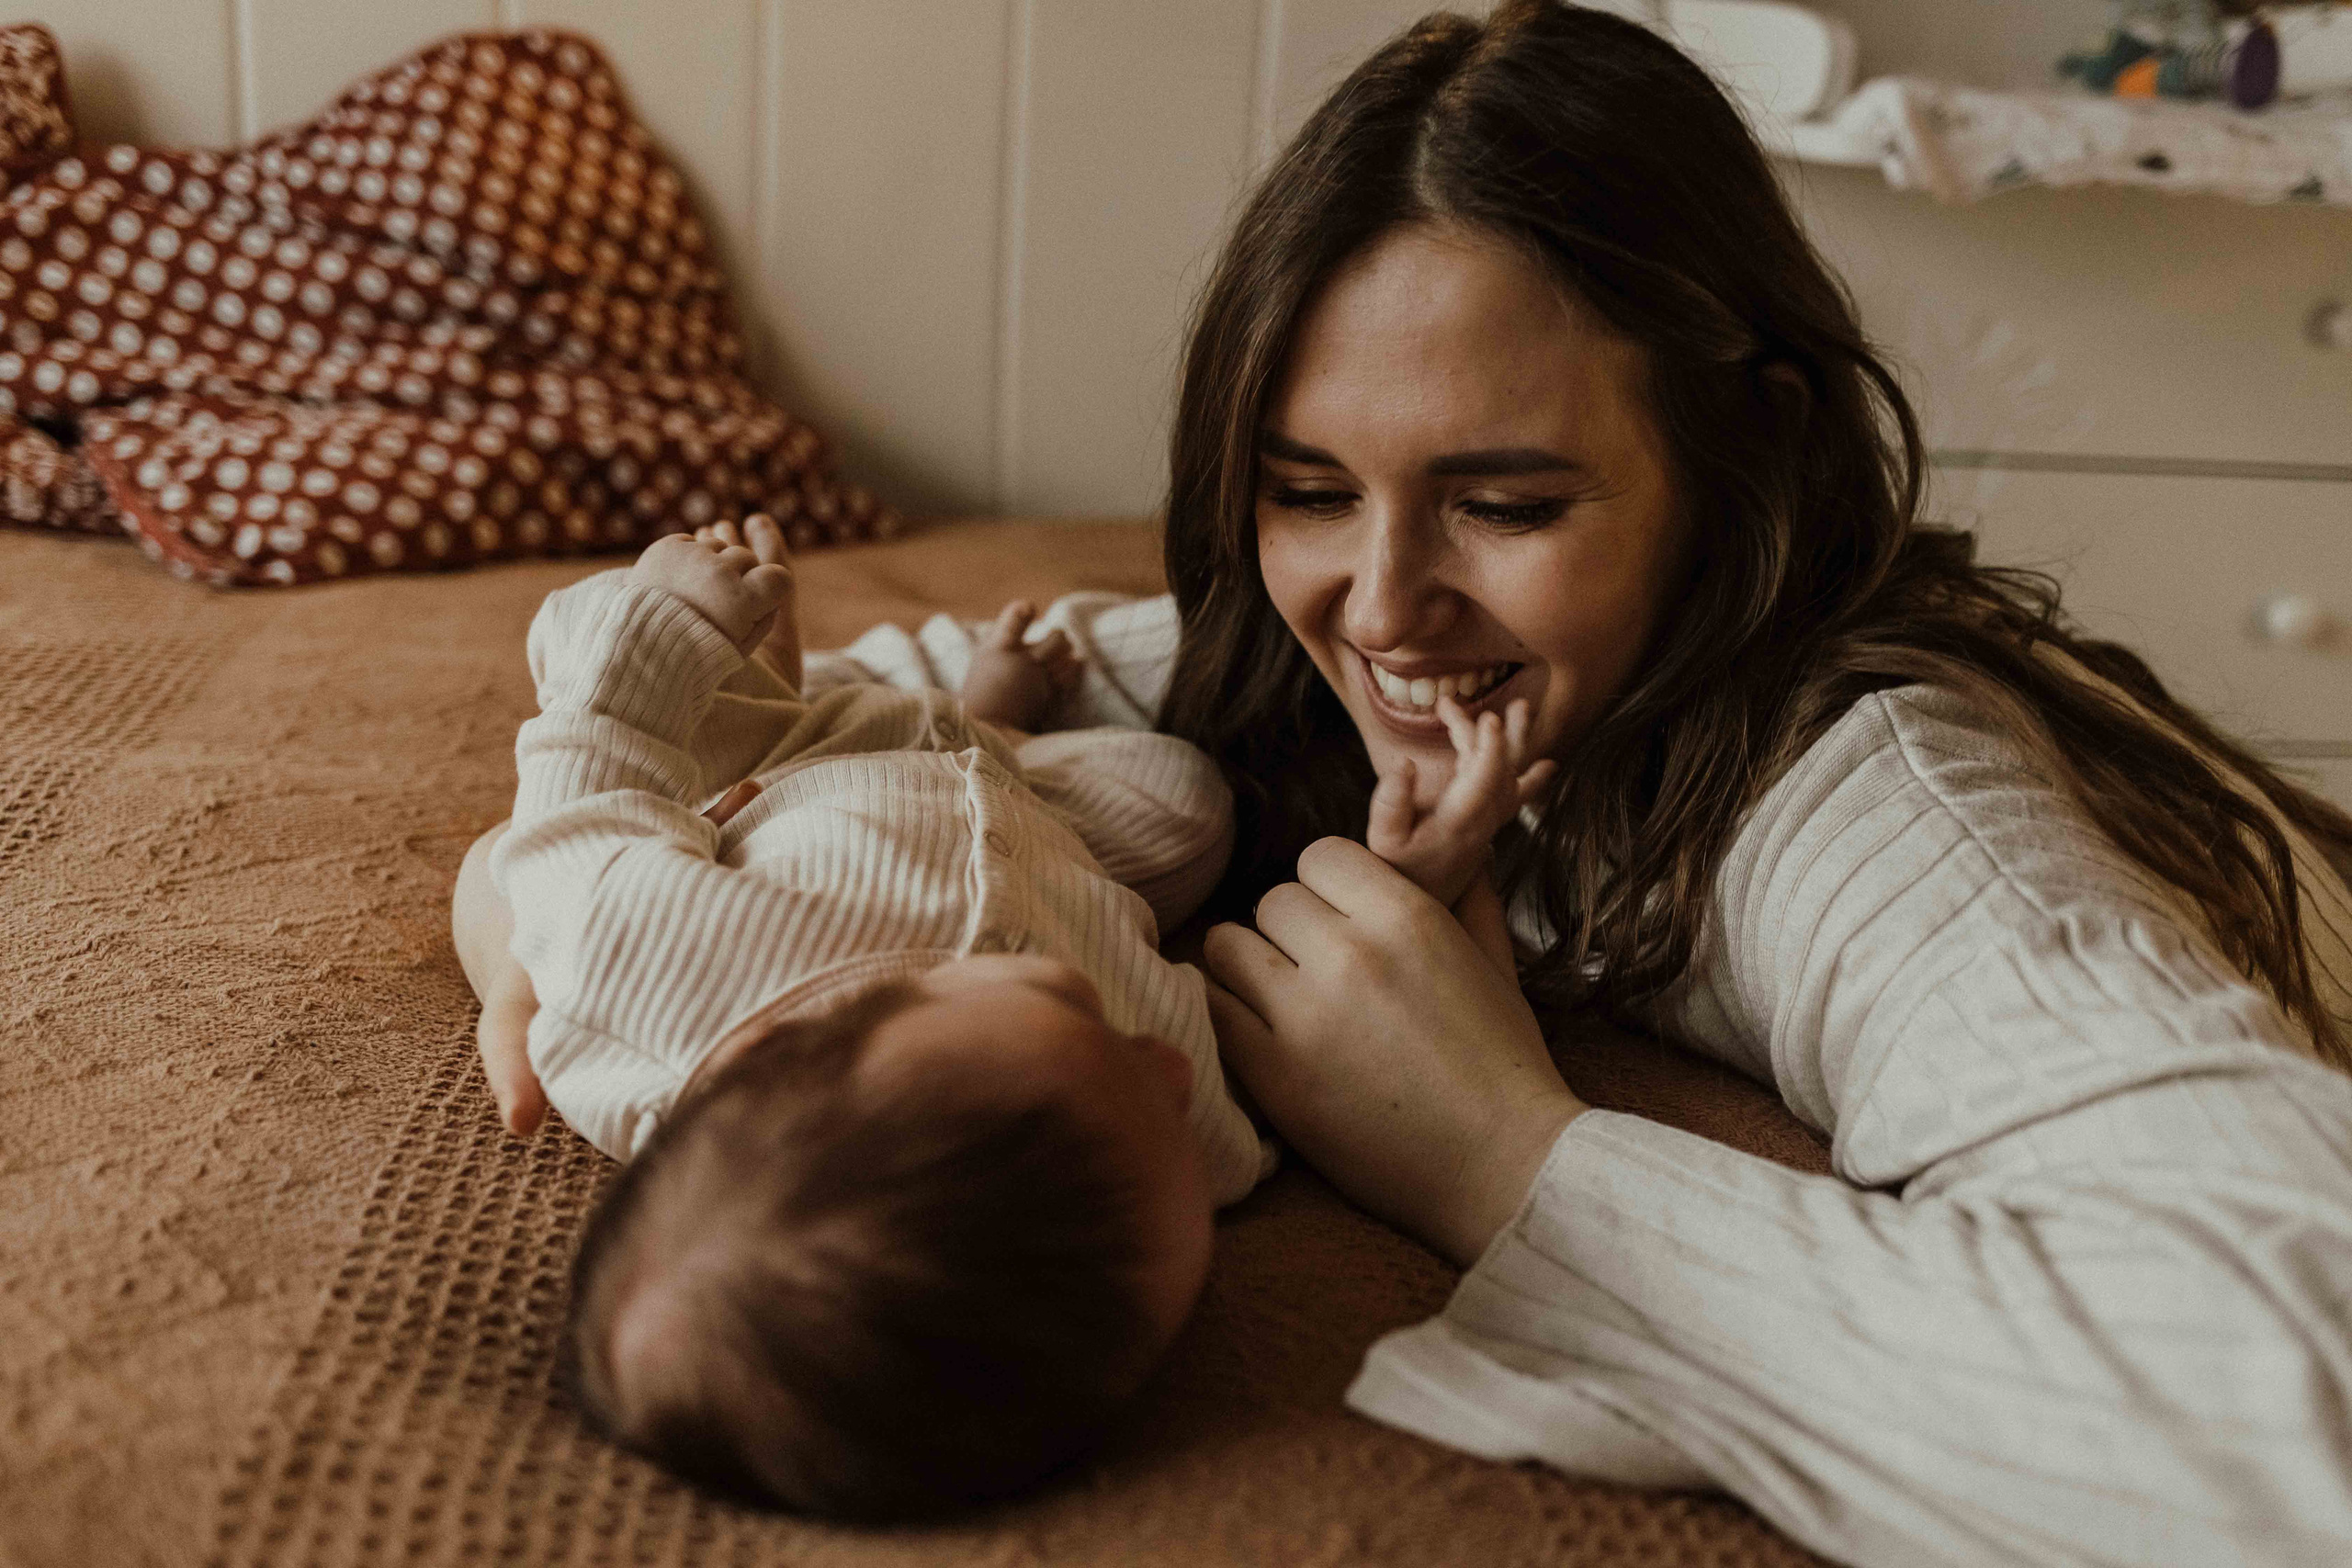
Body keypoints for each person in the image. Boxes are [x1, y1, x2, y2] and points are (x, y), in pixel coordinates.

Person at [1146, 4, 2352, 1564]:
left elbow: (2299, 1404)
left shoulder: (1881, 802)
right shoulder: (1319, 661)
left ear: (1740, 457)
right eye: (1308, 490)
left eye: (1502, 504)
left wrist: (1499, 1155)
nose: (1376, 610)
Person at [449, 515, 1282, 1518]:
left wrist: (669, 622)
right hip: (1035, 812)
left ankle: (775, 683)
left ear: (781, 1042)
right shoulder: (1176, 1161)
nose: (1171, 1069)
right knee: (1190, 802)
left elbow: (581, 793)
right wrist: (1421, 872)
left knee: (588, 702)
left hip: (778, 785)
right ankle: (987, 718)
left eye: (1067, 1006)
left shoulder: (680, 976)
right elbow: (1292, 1037)